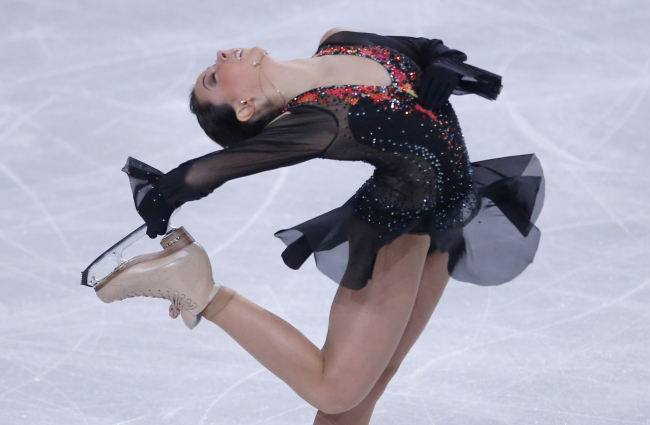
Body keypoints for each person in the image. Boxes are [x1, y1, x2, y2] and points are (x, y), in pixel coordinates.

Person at [96, 28, 544, 424]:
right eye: (214, 77)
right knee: (337, 390)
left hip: (445, 222)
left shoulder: (339, 42)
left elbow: (420, 48)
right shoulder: (319, 119)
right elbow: (213, 170)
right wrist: (161, 196)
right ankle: (200, 291)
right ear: (246, 107)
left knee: (364, 394)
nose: (218, 56)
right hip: (396, 232)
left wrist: (443, 62)